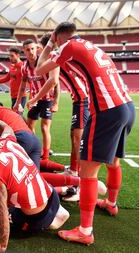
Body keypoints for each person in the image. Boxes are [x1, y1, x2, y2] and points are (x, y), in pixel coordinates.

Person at [35, 22, 135, 245]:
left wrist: (50, 43)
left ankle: (85, 230)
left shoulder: (67, 46)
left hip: (107, 110)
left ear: (60, 36)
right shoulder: (92, 46)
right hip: (127, 106)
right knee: (113, 162)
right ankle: (110, 202)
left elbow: (38, 69)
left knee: (88, 171)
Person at [0, 111, 69, 252]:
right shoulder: (8, 140)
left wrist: (2, 246)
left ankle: (51, 222)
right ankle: (59, 206)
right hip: (52, 196)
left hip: (37, 217)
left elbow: (1, 210)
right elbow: (5, 126)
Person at [27, 33, 89, 176]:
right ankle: (74, 170)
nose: (38, 51)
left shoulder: (55, 54)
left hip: (82, 99)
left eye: (39, 48)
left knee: (78, 139)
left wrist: (34, 98)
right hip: (78, 99)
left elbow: (53, 81)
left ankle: (80, 179)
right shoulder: (58, 55)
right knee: (74, 136)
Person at [13, 39, 60, 161]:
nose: (31, 52)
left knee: (45, 128)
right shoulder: (24, 67)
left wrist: (56, 102)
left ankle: (45, 157)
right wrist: (18, 102)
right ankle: (36, 149)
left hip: (48, 99)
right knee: (29, 126)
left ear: (37, 49)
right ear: (24, 51)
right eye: (28, 50)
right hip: (35, 100)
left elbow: (56, 83)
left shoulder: (44, 62)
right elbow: (22, 86)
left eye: (33, 49)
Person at [0, 47, 26, 113]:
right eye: (9, 56)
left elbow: (30, 81)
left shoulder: (23, 66)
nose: (10, 58)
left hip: (20, 97)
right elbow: (6, 78)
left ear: (18, 55)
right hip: (13, 96)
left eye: (12, 56)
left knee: (17, 116)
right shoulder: (12, 66)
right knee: (15, 115)